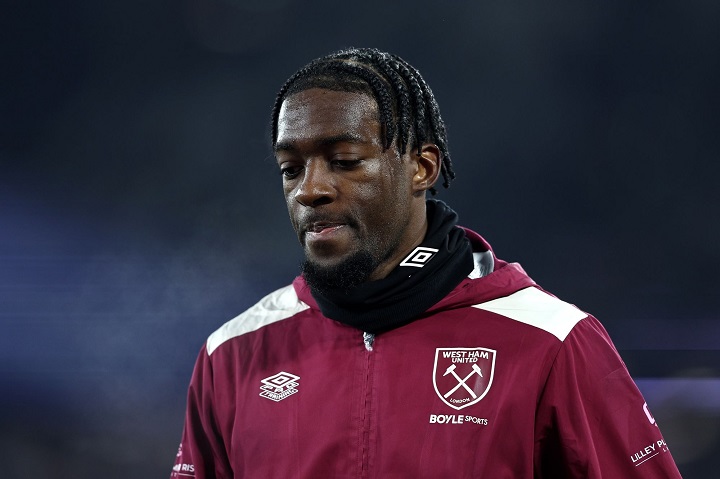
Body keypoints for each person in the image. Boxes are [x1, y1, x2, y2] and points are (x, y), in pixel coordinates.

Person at [171, 47, 683, 478]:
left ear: (422, 167)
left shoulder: (552, 342)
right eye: (290, 169)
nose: (310, 189)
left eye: (345, 162)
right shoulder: (233, 355)